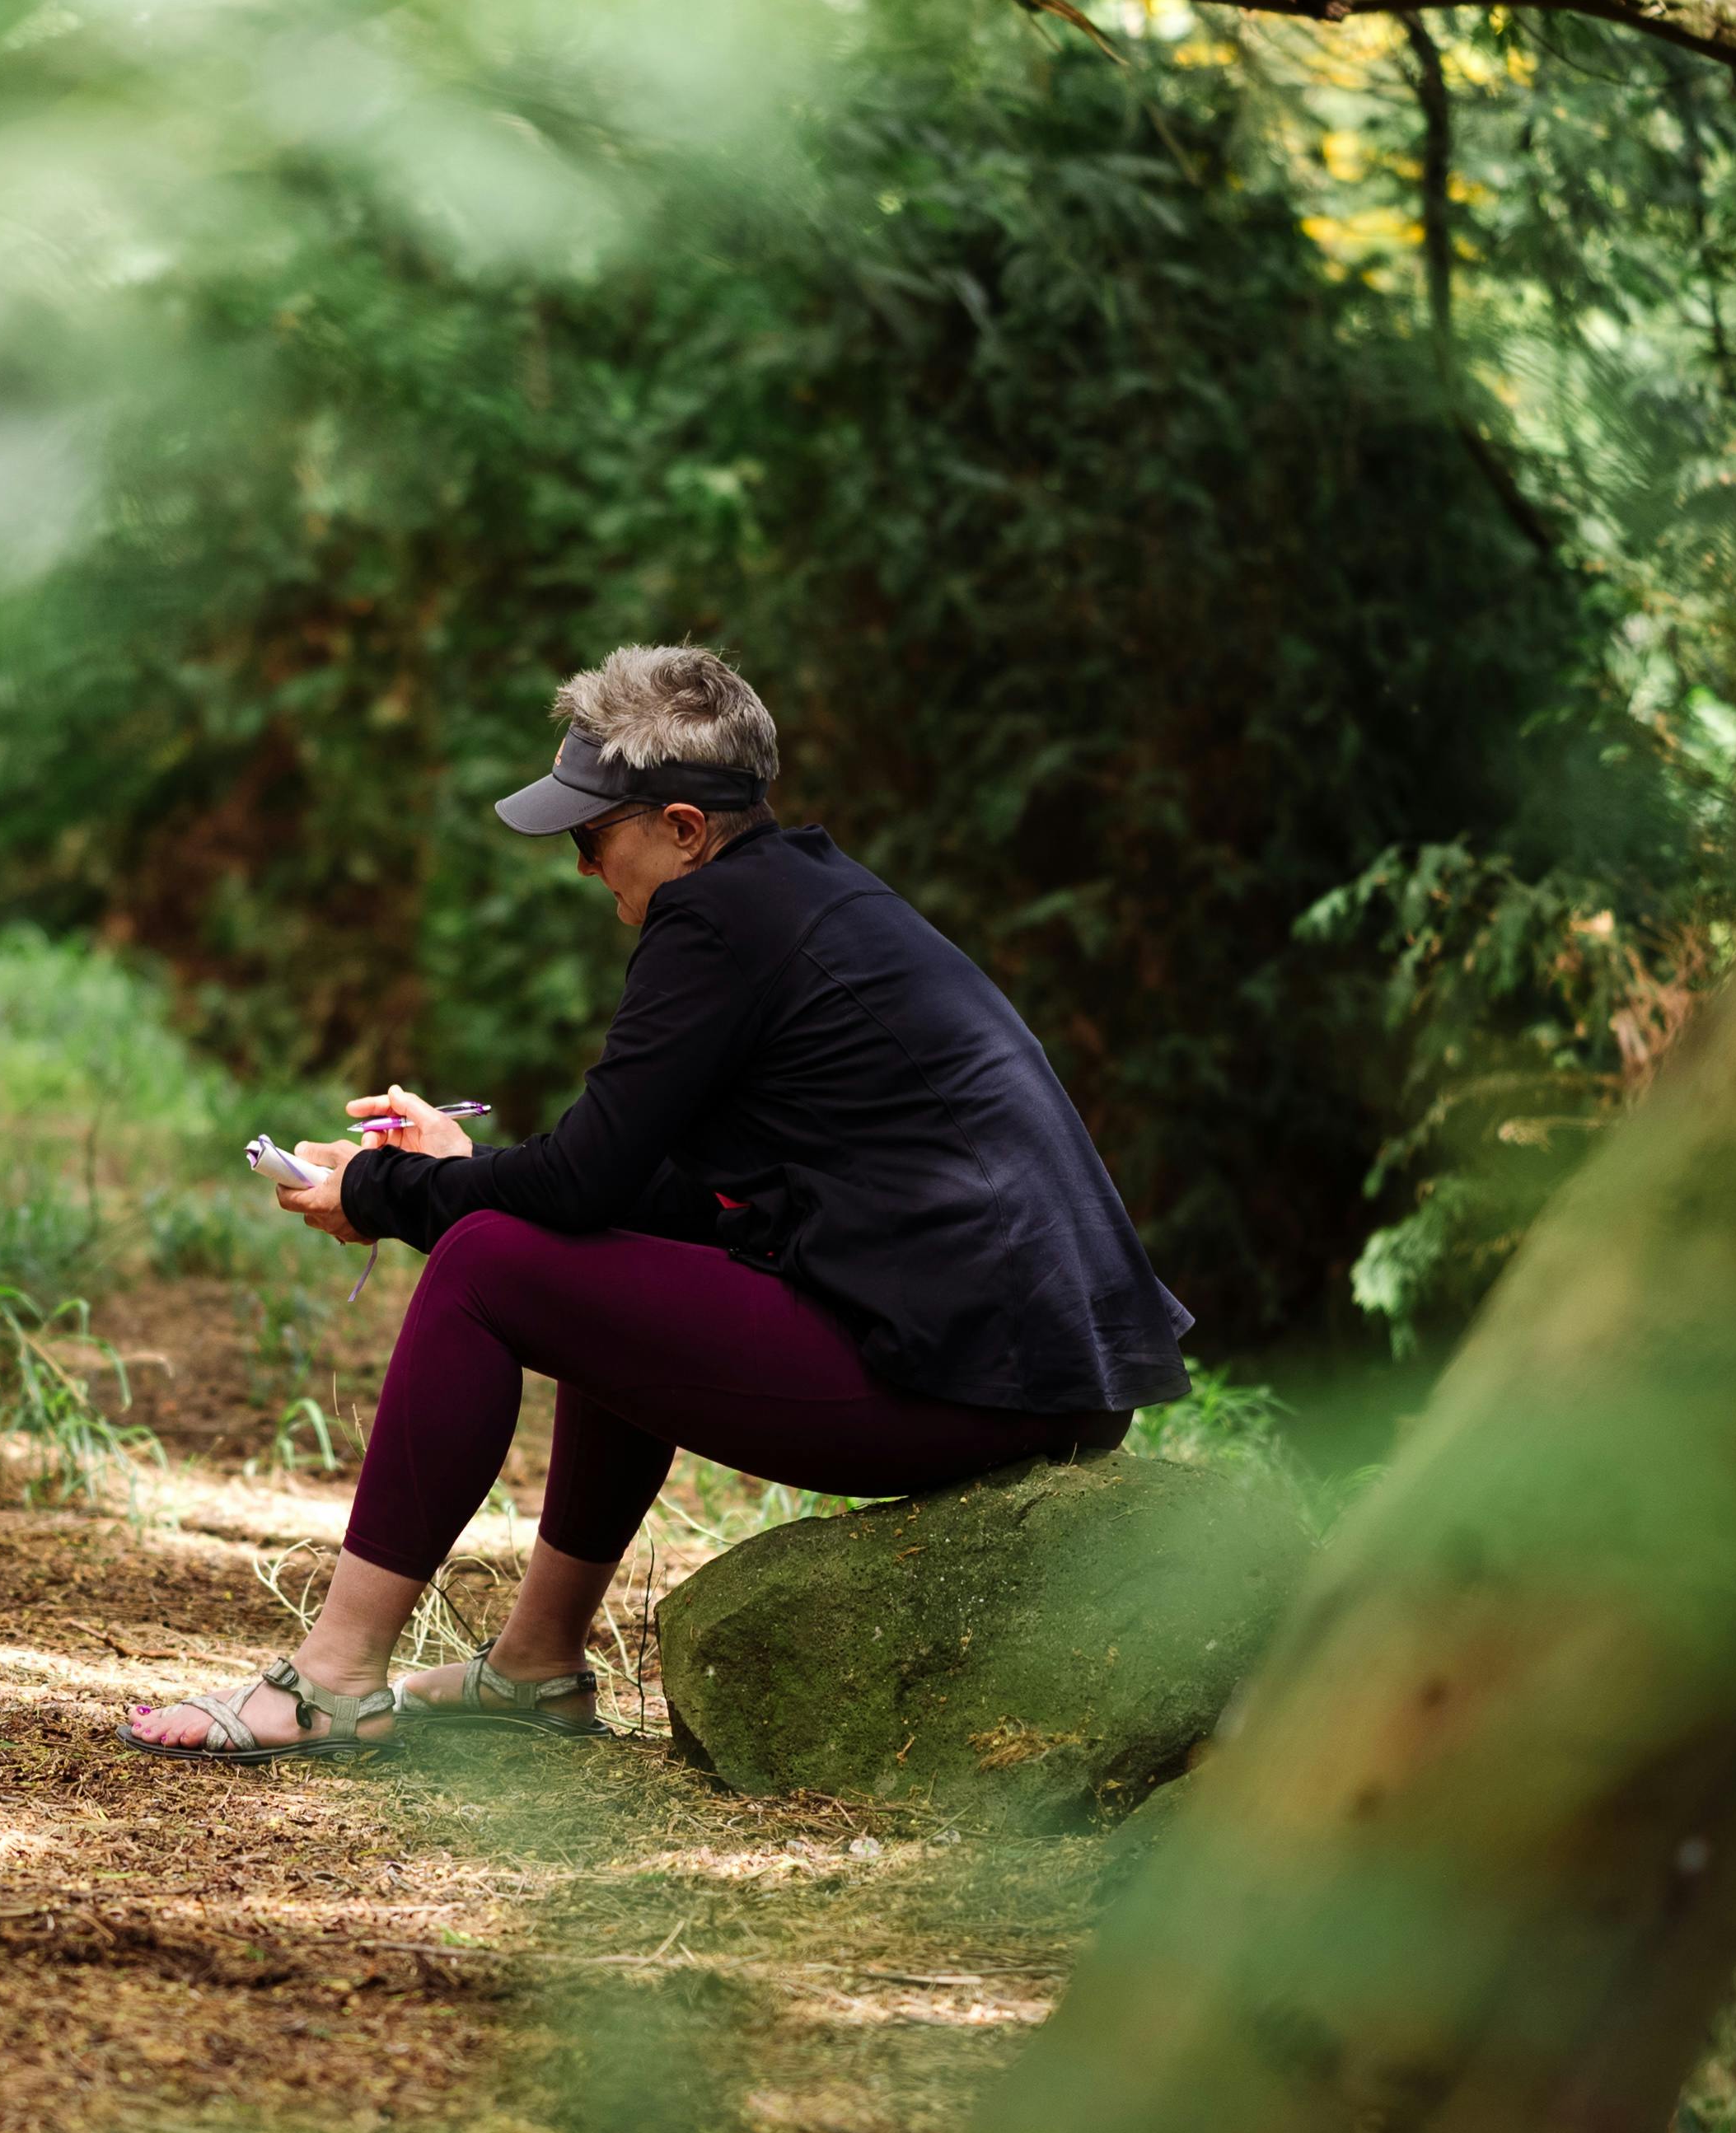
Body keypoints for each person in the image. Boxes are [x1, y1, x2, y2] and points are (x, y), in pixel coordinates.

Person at [124, 643, 1191, 1761]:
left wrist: (392, 1187)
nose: (584, 870)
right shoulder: (805, 894)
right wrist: (443, 1164)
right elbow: (639, 1186)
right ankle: (535, 1666)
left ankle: (331, 1677)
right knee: (582, 1248)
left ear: (683, 827)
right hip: (1040, 1380)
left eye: (591, 838)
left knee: (485, 1261)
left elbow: (582, 1179)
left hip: (968, 1387)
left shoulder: (717, 916)